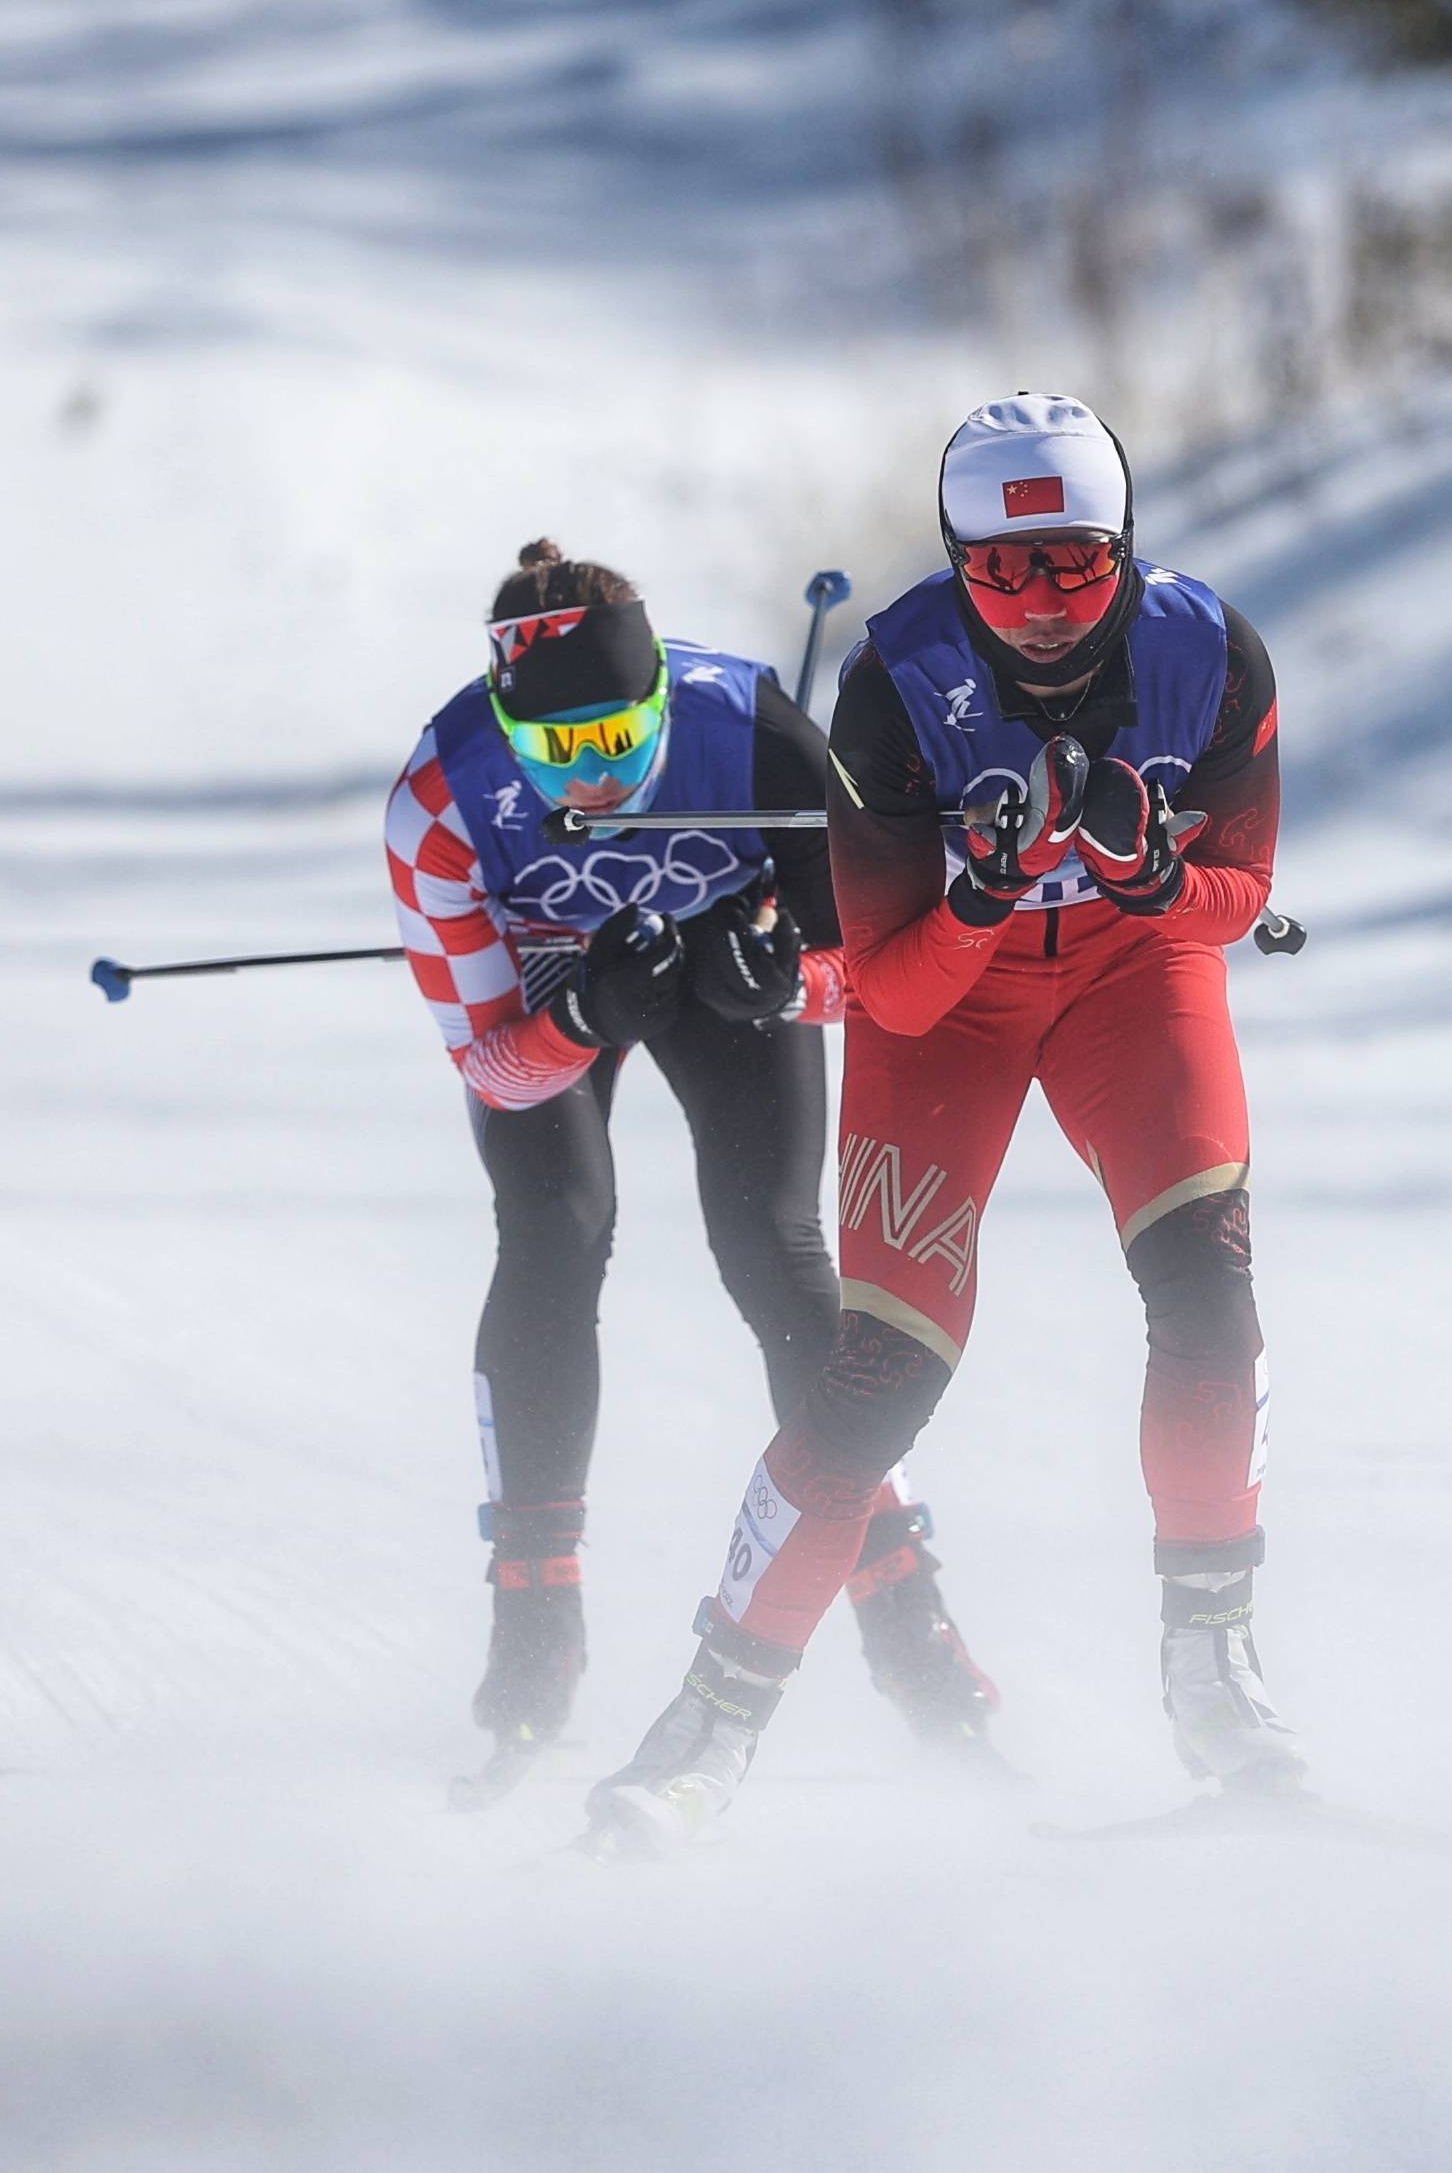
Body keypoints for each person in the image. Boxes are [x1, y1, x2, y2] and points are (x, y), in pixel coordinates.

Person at [584, 396, 1293, 1853]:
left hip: (1129, 979)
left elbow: (1240, 894)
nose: (1040, 607)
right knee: (872, 1385)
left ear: (1129, 547)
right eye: (1003, 573)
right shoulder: (897, 683)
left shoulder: (1210, 656)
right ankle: (704, 1729)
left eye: (1076, 565)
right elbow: (891, 986)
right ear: (958, 562)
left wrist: (1153, 877)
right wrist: (981, 891)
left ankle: (1211, 1664)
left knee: (1210, 1300)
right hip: (950, 1010)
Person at [387, 544, 1001, 1789]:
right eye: (558, 752)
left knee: (774, 1251)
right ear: (510, 732)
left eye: (620, 733)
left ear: (664, 691)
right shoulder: (440, 801)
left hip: (730, 974)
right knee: (554, 1227)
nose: (598, 773)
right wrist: (580, 1016)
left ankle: (900, 1598)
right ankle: (535, 1608)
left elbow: (883, 983)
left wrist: (791, 976)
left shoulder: (756, 729)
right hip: (556, 986)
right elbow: (492, 1065)